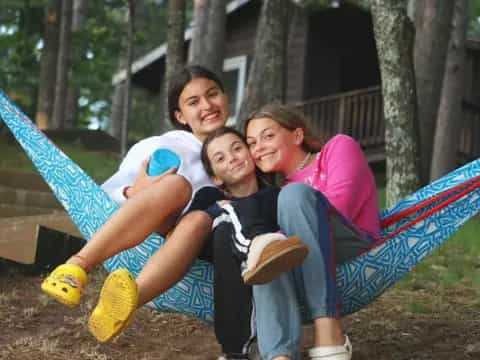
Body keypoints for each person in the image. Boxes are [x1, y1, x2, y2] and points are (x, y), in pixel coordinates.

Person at [40, 66, 302, 357]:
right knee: (178, 186)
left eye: (212, 94)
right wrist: (134, 190)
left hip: (212, 237)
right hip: (161, 229)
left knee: (202, 218)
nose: (207, 105)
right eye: (193, 102)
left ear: (225, 97)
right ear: (180, 116)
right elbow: (106, 194)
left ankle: (126, 301)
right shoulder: (162, 145)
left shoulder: (241, 144)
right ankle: (77, 266)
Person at [244, 104, 381, 360]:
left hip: (350, 240)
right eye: (251, 143)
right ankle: (279, 356)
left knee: (293, 199)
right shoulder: (275, 192)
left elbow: (343, 207)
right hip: (306, 258)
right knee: (267, 253)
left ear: (297, 135)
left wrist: (296, 205)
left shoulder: (337, 149)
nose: (258, 148)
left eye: (268, 136)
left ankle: (329, 331)